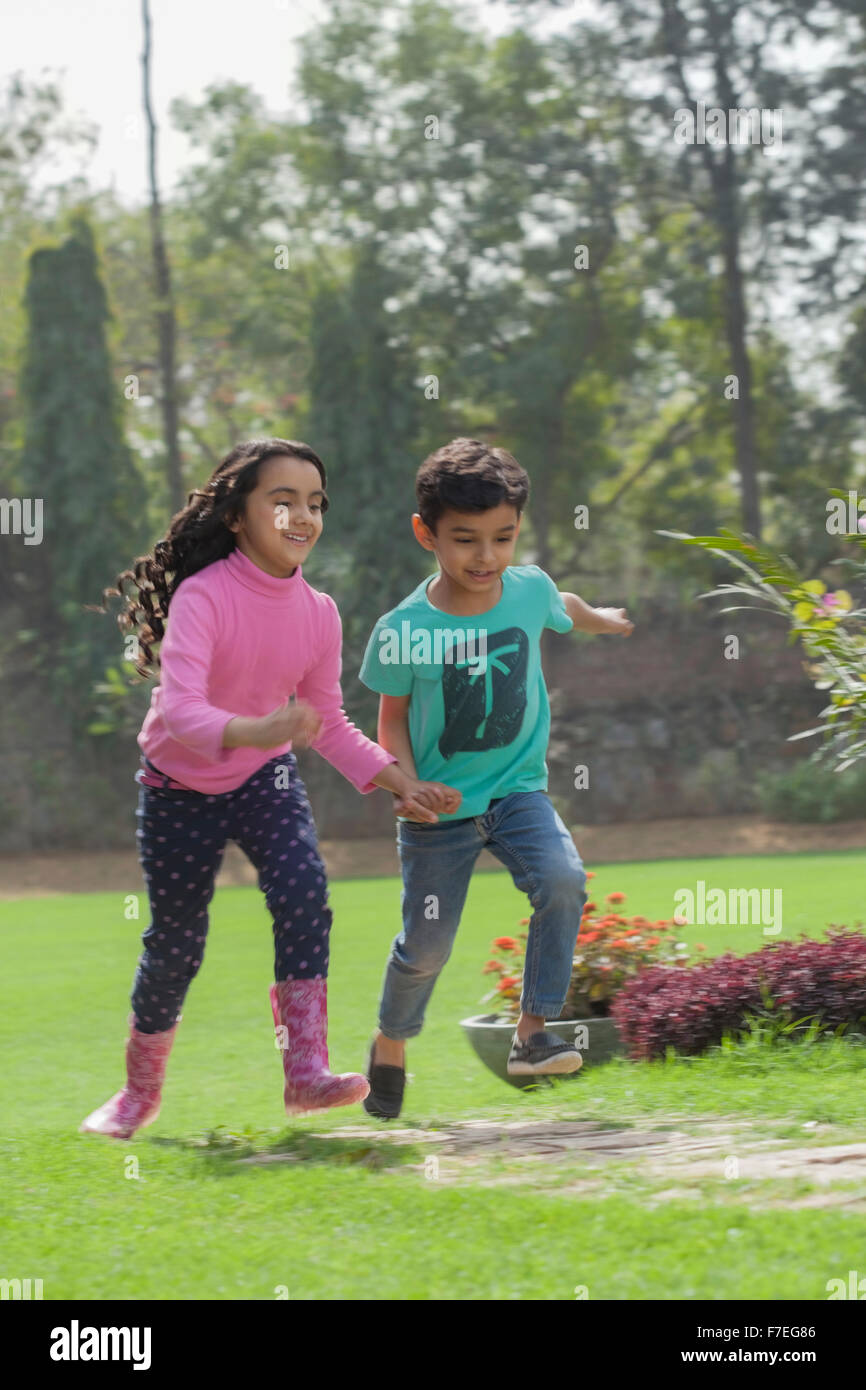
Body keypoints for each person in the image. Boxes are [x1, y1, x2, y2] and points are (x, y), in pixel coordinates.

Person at [80, 437, 459, 1140]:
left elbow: (329, 723)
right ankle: (137, 1094)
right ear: (237, 516)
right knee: (176, 944)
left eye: (314, 503)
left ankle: (305, 1073)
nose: (302, 516)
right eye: (281, 501)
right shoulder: (204, 596)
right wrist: (259, 728)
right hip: (177, 786)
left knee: (303, 892)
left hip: (263, 777)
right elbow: (178, 711)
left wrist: (398, 779)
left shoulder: (318, 612)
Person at [358, 438, 634, 1118]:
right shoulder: (404, 628)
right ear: (426, 534)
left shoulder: (527, 589)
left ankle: (532, 1036)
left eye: (502, 538)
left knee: (564, 880)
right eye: (465, 540)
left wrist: (601, 620)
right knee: (425, 948)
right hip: (438, 811)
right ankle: (390, 1040)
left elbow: (560, 602)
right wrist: (406, 786)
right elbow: (389, 721)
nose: (486, 558)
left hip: (518, 793)